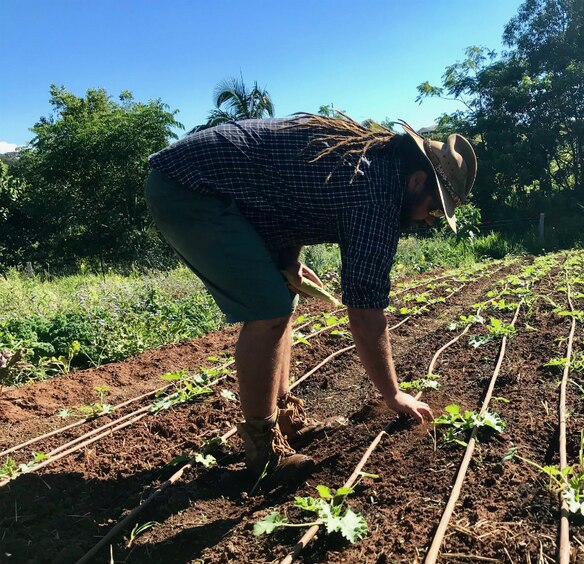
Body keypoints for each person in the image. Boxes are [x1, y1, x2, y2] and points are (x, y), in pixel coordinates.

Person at [144, 113, 477, 484]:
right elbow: (365, 314)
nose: (430, 221)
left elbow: (292, 203)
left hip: (213, 186)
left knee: (281, 294)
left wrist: (288, 262)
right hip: (188, 189)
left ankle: (284, 419)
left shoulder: (371, 166)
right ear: (416, 181)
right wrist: (395, 395)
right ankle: (262, 450)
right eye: (434, 208)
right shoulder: (376, 190)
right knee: (268, 308)